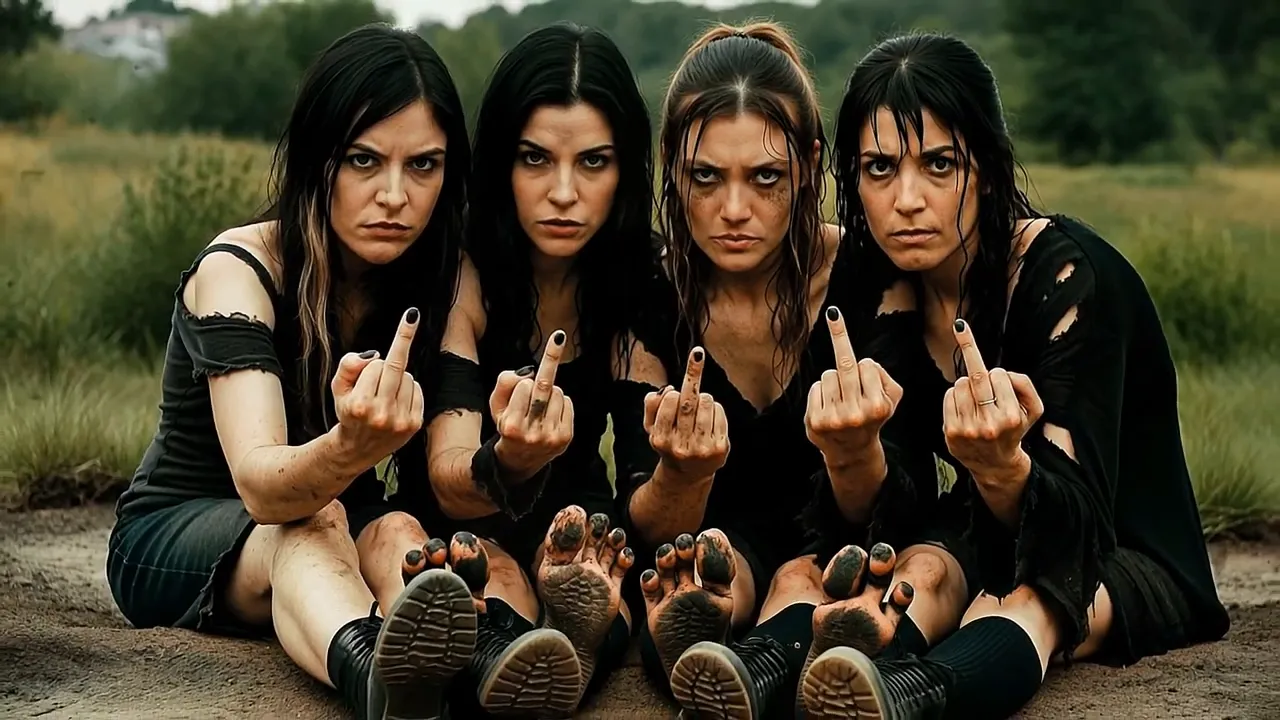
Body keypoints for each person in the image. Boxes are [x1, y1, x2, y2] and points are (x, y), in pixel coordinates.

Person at [795, 31, 1232, 719]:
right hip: (986, 530)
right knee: (917, 571)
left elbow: (1073, 532)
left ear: (988, 168)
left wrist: (1003, 469)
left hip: (1120, 552)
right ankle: (828, 674)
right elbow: (897, 508)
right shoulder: (876, 282)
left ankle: (913, 698)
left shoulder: (1070, 280)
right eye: (879, 168)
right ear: (852, 177)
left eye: (940, 164)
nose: (906, 198)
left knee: (1028, 598)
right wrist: (853, 455)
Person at [105, 24, 479, 720]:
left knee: (403, 537)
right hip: (178, 534)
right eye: (363, 160)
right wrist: (352, 448)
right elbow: (260, 486)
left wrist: (513, 458)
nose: (394, 195)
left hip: (336, 521)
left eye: (424, 166)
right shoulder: (239, 269)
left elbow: (456, 463)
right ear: (317, 158)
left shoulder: (443, 276)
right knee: (312, 521)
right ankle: (381, 682)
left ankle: (460, 670)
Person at [604, 21, 933, 720]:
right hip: (712, 545)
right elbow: (642, 518)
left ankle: (758, 659)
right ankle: (713, 632)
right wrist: (679, 475)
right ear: (671, 165)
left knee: (819, 572)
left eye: (765, 177)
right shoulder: (647, 292)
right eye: (705, 177)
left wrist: (856, 452)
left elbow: (905, 500)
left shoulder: (869, 276)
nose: (734, 211)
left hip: (849, 550)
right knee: (706, 568)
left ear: (809, 164)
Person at [384, 22, 655, 718]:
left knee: (604, 572)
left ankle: (576, 643)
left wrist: (684, 470)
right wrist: (510, 459)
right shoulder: (462, 268)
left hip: (576, 516)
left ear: (625, 169)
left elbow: (643, 481)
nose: (563, 192)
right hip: (457, 508)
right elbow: (447, 472)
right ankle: (520, 655)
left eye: (593, 162)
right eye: (536, 159)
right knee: (489, 570)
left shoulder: (638, 279)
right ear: (501, 162)